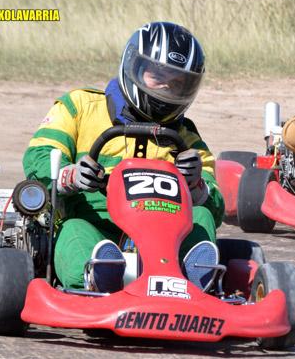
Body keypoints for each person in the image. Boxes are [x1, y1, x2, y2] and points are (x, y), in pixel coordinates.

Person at [23, 22, 225, 293]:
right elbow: (38, 156)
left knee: (201, 216)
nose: (167, 89)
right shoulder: (80, 106)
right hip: (96, 226)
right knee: (74, 229)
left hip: (164, 243)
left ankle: (189, 280)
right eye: (159, 77)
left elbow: (216, 204)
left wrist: (196, 184)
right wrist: (71, 175)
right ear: (135, 68)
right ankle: (99, 274)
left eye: (178, 84)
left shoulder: (186, 137)